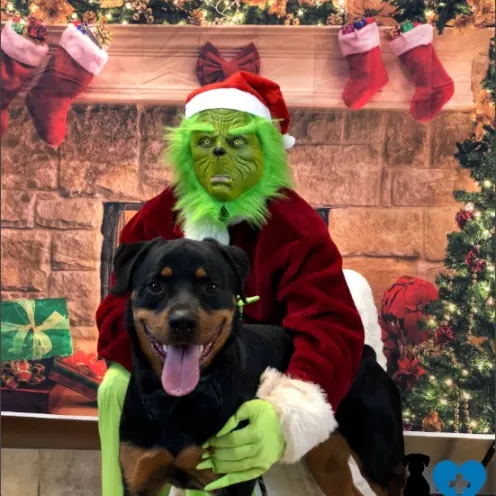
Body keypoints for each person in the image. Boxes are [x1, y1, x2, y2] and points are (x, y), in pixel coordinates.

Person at [96, 71, 365, 496]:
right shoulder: (155, 216)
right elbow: (117, 302)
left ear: (266, 150)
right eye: (204, 142)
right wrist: (150, 360)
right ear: (186, 151)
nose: (219, 152)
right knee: (115, 384)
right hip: (168, 369)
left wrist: (285, 410)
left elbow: (332, 326)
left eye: (237, 141)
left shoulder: (298, 227)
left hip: (260, 373)